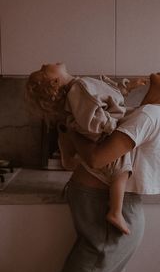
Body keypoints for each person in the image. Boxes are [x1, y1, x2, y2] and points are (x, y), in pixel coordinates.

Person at [57, 66, 160, 272]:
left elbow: (97, 158)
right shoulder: (148, 112)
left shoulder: (150, 115)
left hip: (106, 218)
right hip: (102, 216)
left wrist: (71, 128)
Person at [25, 63, 146, 235]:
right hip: (106, 135)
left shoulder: (79, 86)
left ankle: (69, 159)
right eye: (43, 70)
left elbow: (103, 98)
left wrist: (125, 88)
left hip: (106, 130)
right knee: (122, 171)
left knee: (121, 169)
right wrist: (113, 127)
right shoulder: (78, 89)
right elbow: (92, 120)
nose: (44, 64)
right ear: (55, 82)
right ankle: (115, 212)